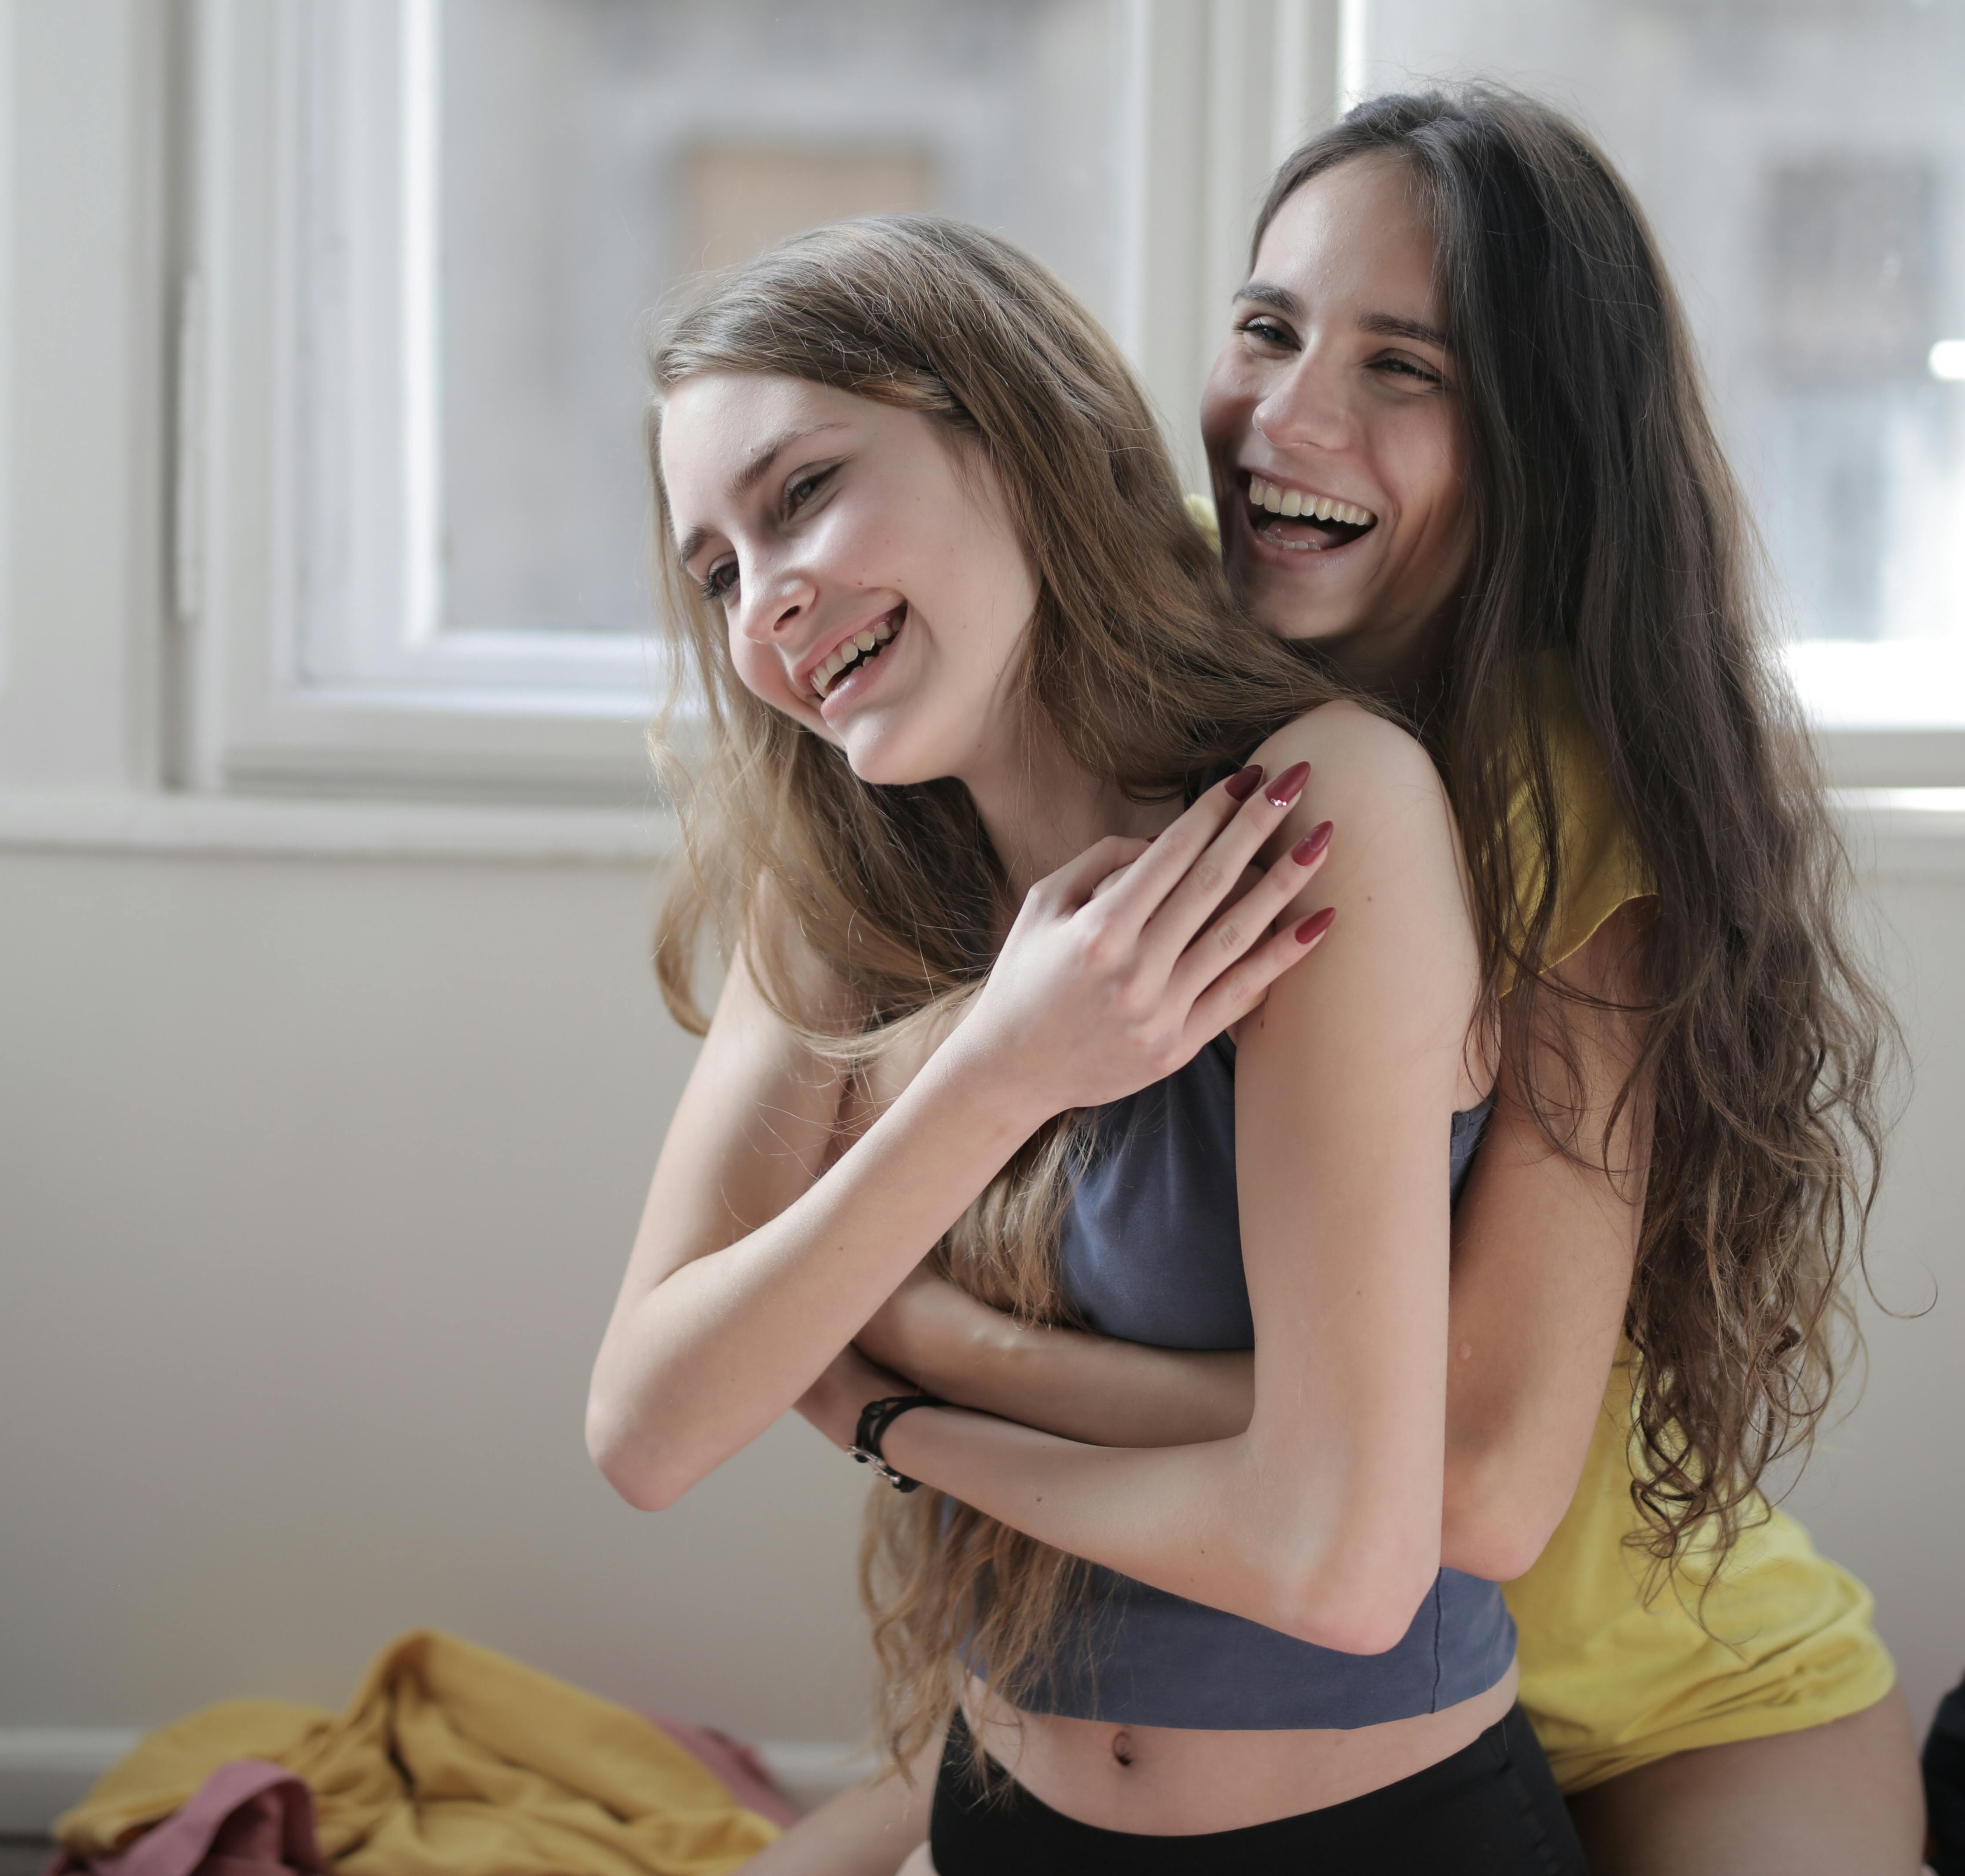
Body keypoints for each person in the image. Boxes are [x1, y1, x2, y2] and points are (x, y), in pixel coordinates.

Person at [767, 88, 1922, 1876]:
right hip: (1264, 1662)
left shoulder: (1570, 798)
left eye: (1408, 369)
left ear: (1540, 447)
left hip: (1655, 1694)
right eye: (1267, 327)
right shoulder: (1131, 690)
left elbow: (1463, 1483)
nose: (1285, 416)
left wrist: (921, 1352)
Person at [587, 214, 1590, 1872]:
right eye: (717, 573)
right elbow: (648, 1425)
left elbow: (1337, 1563)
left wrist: (897, 1421)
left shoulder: (1317, 804)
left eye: (801, 494)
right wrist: (1005, 1067)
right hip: (1004, 1812)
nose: (765, 603)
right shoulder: (846, 876)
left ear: (1019, 430)